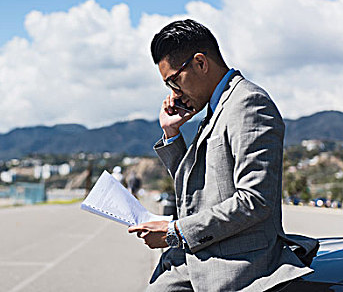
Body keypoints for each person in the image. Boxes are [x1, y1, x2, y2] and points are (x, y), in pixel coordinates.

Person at [128, 19, 318, 291]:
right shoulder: (216, 109)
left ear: (200, 63)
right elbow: (199, 189)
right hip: (194, 260)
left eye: (174, 81)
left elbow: (255, 201)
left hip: (234, 268)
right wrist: (171, 134)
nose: (174, 93)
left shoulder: (249, 104)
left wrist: (176, 232)